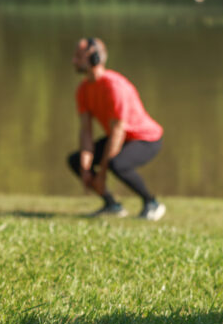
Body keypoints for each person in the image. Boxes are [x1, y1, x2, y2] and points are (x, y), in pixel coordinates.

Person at [67, 37, 166, 220]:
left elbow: (118, 132)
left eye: (78, 56)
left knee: (117, 164)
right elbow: (86, 131)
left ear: (95, 58)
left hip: (146, 138)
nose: (73, 60)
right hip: (121, 135)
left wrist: (102, 176)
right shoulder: (83, 90)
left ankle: (152, 203)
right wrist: (85, 168)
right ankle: (112, 205)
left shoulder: (114, 86)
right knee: (75, 160)